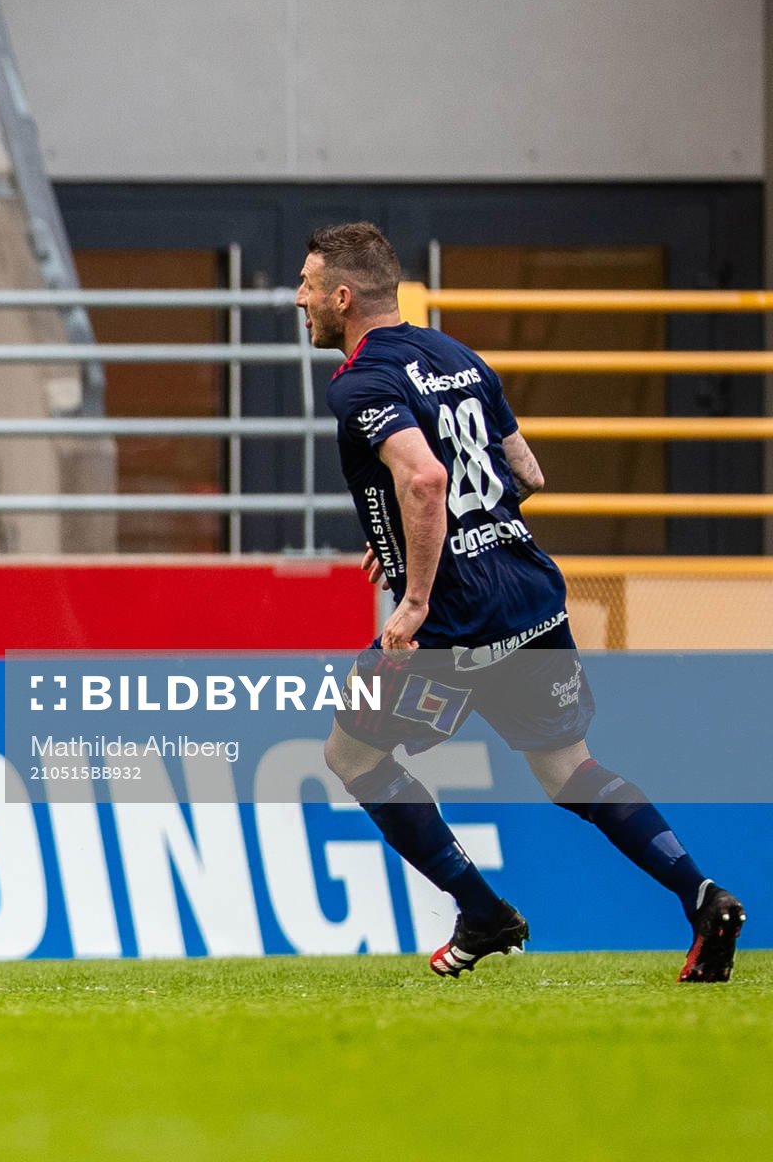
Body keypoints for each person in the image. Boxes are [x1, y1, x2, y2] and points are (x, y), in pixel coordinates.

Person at [299, 221, 743, 982]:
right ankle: (700, 895)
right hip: (530, 600)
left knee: (353, 754)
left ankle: (482, 911)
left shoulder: (360, 380)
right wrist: (415, 533)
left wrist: (414, 597)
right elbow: (525, 472)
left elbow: (428, 481)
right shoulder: (457, 355)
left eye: (308, 286)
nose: (300, 299)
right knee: (569, 768)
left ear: (343, 297)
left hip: (453, 626)